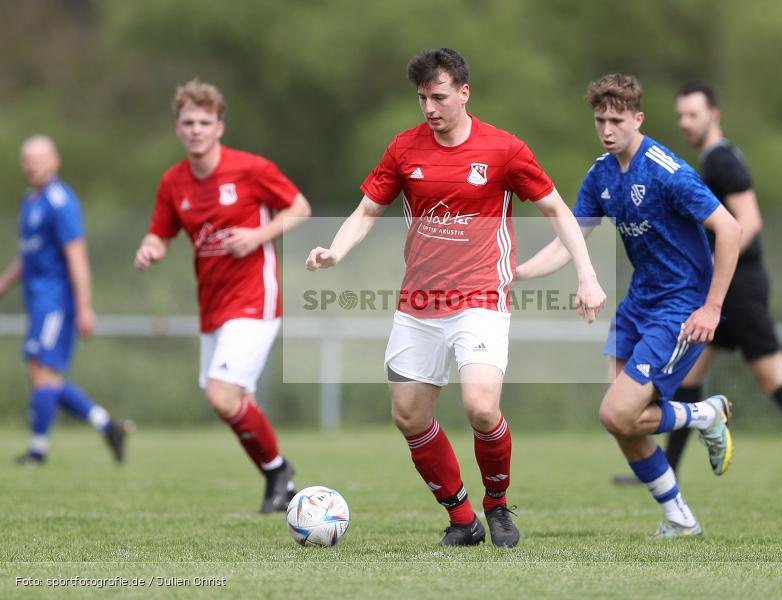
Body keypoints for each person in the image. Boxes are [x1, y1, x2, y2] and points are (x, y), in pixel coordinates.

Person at [306, 48, 605, 547]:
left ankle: (498, 504)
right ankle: (463, 519)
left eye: (438, 96)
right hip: (418, 304)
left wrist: (587, 275)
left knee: (482, 408)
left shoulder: (504, 150)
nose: (429, 107)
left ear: (464, 93)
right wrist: (336, 251)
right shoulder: (404, 149)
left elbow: (557, 209)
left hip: (481, 298)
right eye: (422, 98)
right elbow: (365, 212)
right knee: (409, 415)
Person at [517, 74, 743, 537]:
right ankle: (681, 519)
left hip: (680, 307)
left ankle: (705, 414)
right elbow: (570, 240)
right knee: (624, 423)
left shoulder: (666, 170)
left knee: (615, 413)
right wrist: (517, 273)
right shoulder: (600, 174)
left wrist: (712, 308)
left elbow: (731, 229)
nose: (606, 128)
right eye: (600, 119)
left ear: (637, 118)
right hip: (638, 304)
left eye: (616, 119)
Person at [625, 83, 782, 488]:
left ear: (714, 114)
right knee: (687, 378)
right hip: (723, 290)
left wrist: (712, 272)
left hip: (740, 290)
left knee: (774, 378)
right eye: (681, 115)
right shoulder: (711, 160)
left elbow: (749, 221)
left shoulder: (722, 161)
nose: (685, 123)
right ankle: (664, 472)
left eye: (693, 114)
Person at [133, 79, 312, 513]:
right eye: (188, 122)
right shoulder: (173, 182)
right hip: (212, 305)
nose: (196, 129)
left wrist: (257, 236)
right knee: (235, 403)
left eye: (204, 122)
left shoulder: (249, 169)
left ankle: (277, 471)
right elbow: (160, 232)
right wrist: (151, 247)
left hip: (255, 297)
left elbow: (300, 208)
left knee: (222, 394)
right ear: (178, 128)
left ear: (219, 127)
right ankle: (278, 477)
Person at [0, 135, 128, 465]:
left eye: (39, 159)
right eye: (27, 160)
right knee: (45, 376)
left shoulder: (60, 201)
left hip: (55, 302)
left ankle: (37, 451)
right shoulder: (31, 200)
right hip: (38, 301)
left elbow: (77, 256)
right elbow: (28, 256)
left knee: (41, 371)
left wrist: (84, 307)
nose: (32, 166)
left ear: (55, 161)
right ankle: (107, 426)